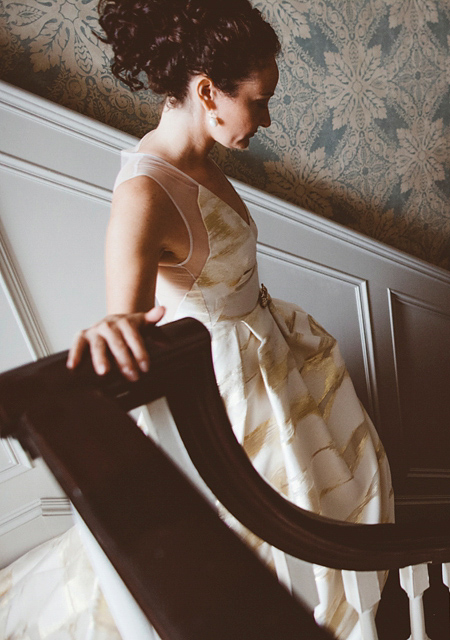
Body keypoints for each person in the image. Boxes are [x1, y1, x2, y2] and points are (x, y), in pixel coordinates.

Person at [0, 1, 393, 638]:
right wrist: (109, 327)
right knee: (263, 542)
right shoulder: (144, 193)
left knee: (326, 516)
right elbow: (121, 320)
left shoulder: (203, 160)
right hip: (228, 385)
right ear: (207, 90)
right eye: (259, 101)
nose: (265, 119)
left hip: (267, 356)